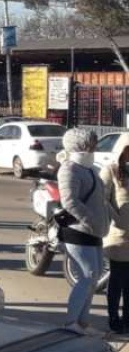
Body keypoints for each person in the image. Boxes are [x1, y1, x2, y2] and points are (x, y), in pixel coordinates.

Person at [58, 128, 109, 332]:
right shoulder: (69, 169)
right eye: (91, 144)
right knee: (86, 277)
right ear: (80, 145)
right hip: (78, 231)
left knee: (93, 279)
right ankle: (71, 322)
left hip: (94, 231)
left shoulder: (90, 168)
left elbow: (100, 199)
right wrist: (90, 221)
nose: (94, 147)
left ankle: (82, 323)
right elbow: (70, 202)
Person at [101, 145, 129, 333]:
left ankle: (128, 319)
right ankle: (113, 317)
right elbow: (101, 199)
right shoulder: (111, 170)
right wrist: (117, 218)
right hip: (119, 237)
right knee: (118, 279)